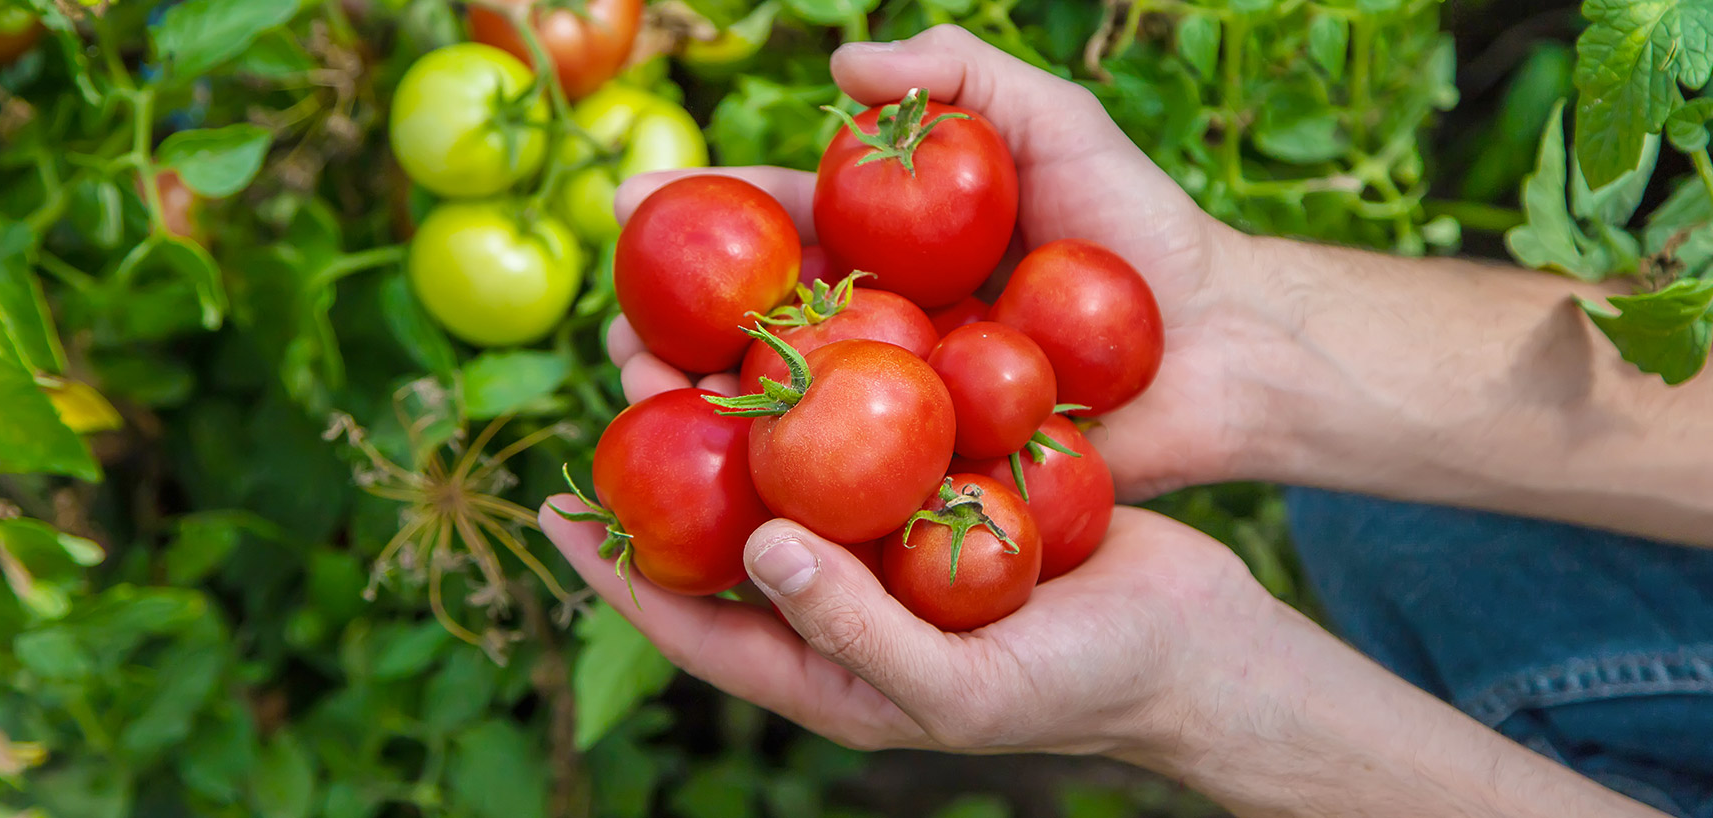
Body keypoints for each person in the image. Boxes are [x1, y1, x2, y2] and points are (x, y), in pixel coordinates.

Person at [539, 25, 1713, 818]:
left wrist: (1193, 697)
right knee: (1394, 536)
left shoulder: (864, 401)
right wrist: (1249, 335)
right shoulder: (871, 378)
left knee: (1415, 565)